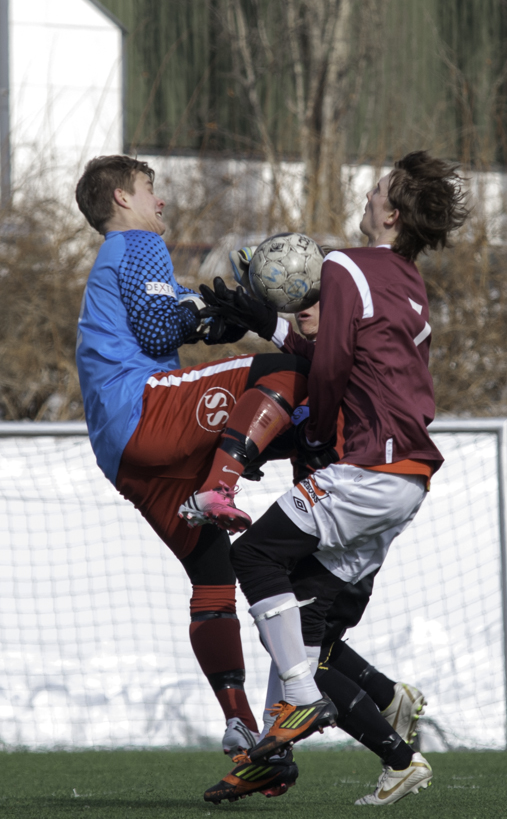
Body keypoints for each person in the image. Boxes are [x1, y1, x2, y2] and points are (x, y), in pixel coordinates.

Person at [201, 151, 468, 805]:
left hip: (367, 465)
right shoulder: (406, 279)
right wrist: (265, 320)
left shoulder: (346, 263)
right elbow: (349, 350)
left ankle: (297, 699)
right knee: (306, 617)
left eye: (377, 187)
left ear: (392, 212)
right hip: (407, 480)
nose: (367, 192)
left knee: (254, 555)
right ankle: (321, 733)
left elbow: (332, 364)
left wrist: (315, 433)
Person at [74, 154, 312, 758]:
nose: (162, 202)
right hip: (145, 411)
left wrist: (214, 315)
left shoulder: (116, 262)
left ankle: (238, 722)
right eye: (151, 189)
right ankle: (225, 484)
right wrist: (216, 321)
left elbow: (171, 314)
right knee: (285, 369)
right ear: (123, 199)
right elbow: (161, 331)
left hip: (123, 456)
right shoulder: (137, 244)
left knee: (212, 574)